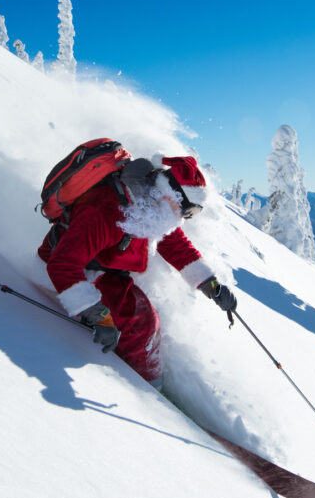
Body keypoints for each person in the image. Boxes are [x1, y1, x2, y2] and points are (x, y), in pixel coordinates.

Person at [37, 154, 237, 388]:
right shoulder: (107, 208)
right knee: (140, 321)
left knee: (143, 315)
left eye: (194, 213)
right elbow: (62, 263)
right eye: (189, 210)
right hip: (70, 274)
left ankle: (144, 374)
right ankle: (144, 388)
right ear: (171, 194)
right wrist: (96, 313)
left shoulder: (153, 204)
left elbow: (175, 244)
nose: (186, 217)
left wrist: (210, 285)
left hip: (100, 268)